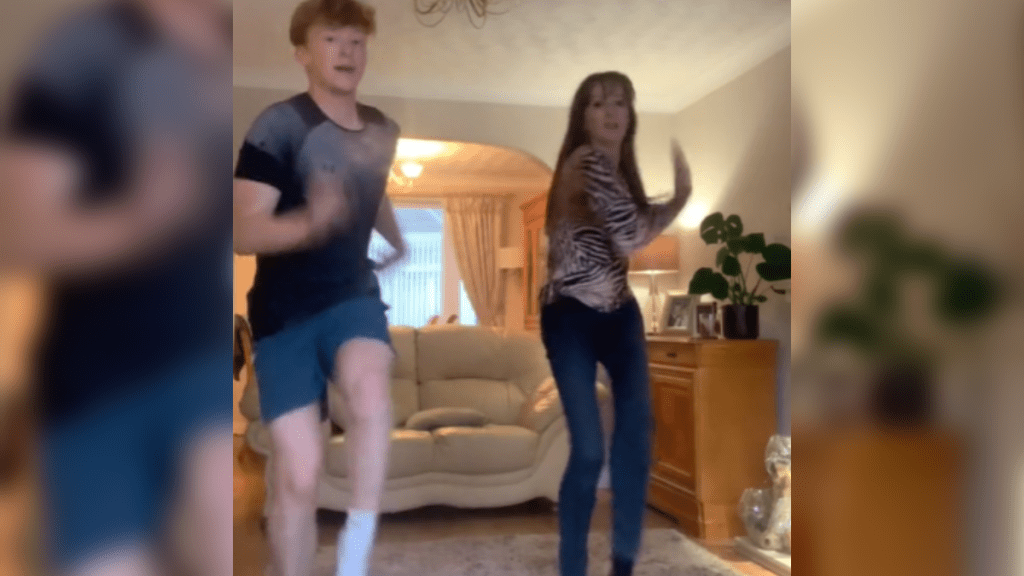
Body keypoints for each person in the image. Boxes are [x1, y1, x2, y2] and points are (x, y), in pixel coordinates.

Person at [1, 0, 233, 574]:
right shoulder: (83, 48)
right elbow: (20, 236)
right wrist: (139, 221)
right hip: (99, 387)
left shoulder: (229, 48)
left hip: (203, 372)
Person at [232, 1, 406, 575]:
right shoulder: (279, 125)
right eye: (332, 39)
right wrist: (311, 221)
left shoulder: (383, 129)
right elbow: (242, 231)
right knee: (299, 475)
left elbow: (372, 188)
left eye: (357, 41)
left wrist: (396, 238)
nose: (347, 52)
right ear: (303, 54)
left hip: (351, 294)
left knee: (372, 393)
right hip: (284, 315)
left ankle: (355, 548)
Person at [539, 71, 692, 576]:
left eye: (620, 104)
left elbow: (627, 228)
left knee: (635, 435)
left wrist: (659, 205)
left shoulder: (620, 173)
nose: (611, 113)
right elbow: (630, 236)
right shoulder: (584, 163)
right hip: (569, 317)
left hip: (619, 314)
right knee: (587, 451)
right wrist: (681, 198)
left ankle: (623, 564)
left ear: (631, 115)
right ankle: (572, 568)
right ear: (582, 117)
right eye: (599, 104)